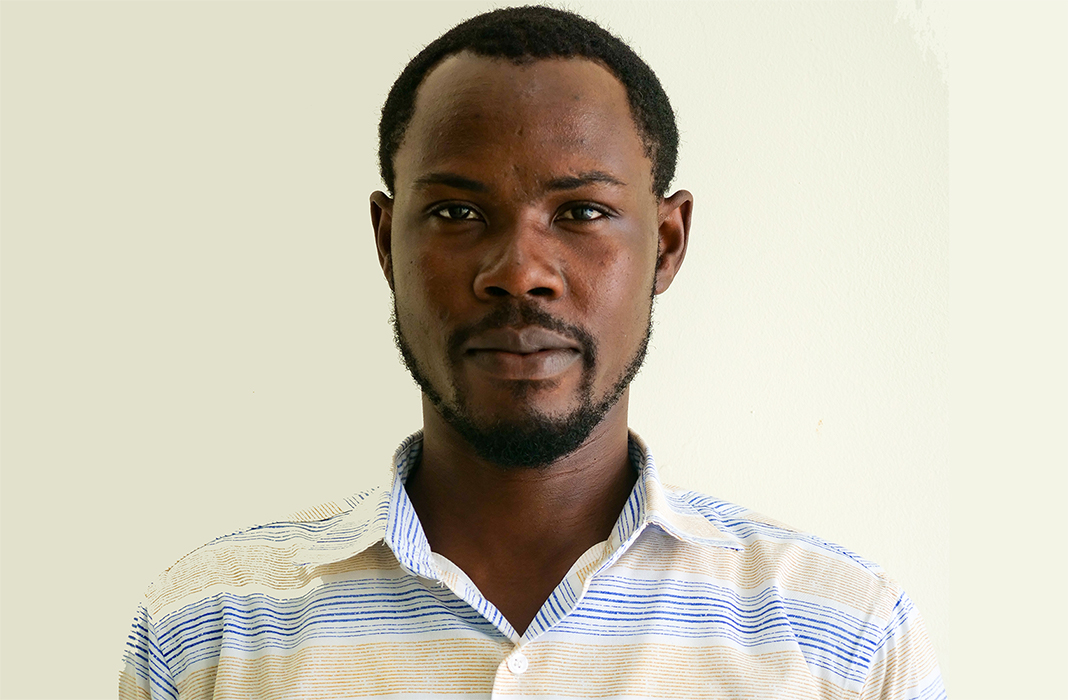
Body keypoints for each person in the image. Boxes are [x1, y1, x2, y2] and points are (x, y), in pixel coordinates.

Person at [120, 6, 945, 699]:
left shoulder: (843, 638)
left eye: (581, 213)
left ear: (666, 243)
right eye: (456, 213)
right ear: (385, 241)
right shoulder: (210, 632)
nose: (519, 272)